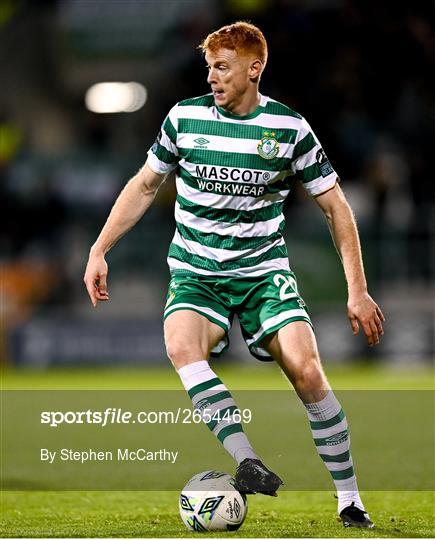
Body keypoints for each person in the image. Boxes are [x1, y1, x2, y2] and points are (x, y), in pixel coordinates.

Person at [84, 21, 385, 529]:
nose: (212, 78)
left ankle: (349, 500)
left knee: (309, 373)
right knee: (182, 347)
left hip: (263, 273)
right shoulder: (184, 118)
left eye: (222, 68)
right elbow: (142, 187)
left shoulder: (289, 129)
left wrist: (358, 290)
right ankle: (248, 460)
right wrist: (99, 249)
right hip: (197, 271)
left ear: (254, 68)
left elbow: (336, 207)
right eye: (209, 68)